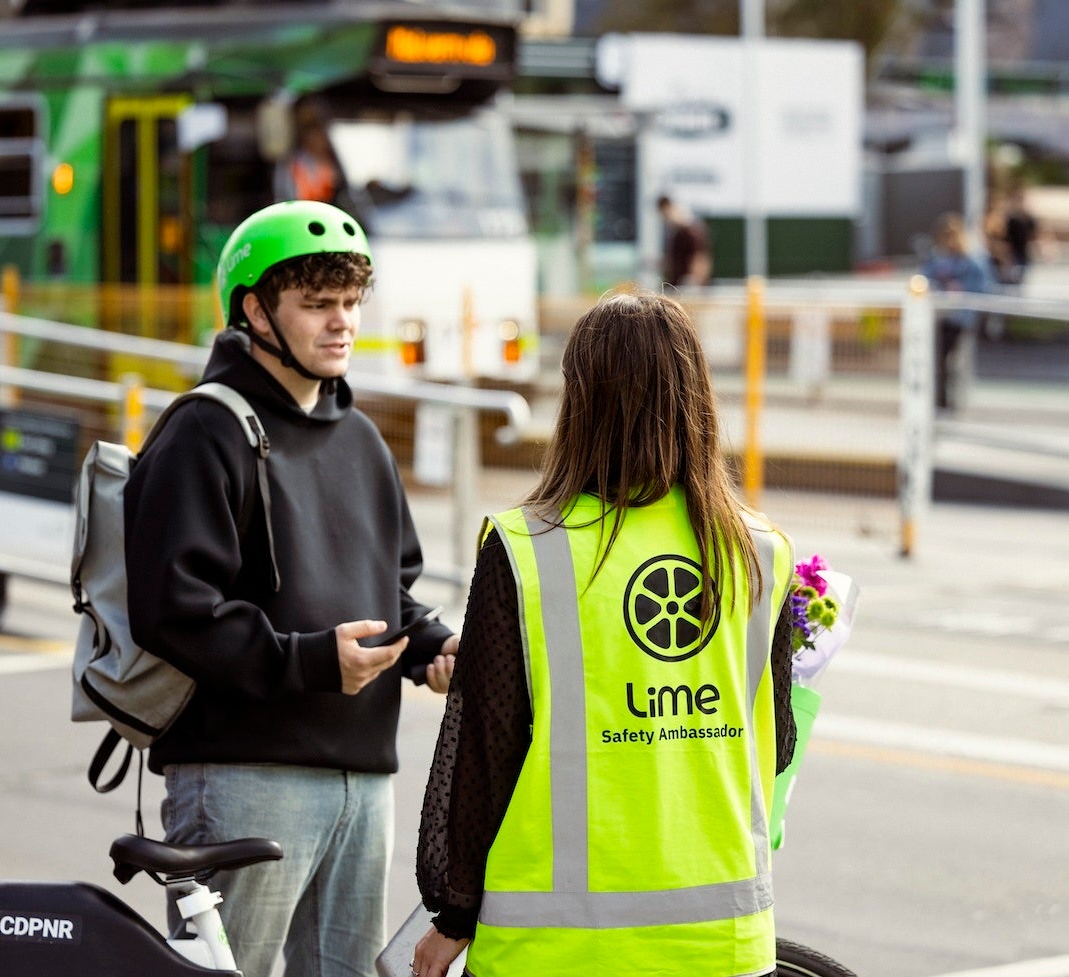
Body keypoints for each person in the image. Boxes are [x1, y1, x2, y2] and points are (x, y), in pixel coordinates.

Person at [411, 291, 799, 977]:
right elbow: (779, 739)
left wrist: (451, 916)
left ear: (580, 400)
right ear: (698, 397)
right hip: (725, 943)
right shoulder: (757, 550)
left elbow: (481, 757)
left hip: (552, 948)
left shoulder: (528, 547)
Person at [125, 200, 459, 977]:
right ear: (256, 311)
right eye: (317, 304)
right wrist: (312, 662)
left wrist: (435, 647)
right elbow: (172, 612)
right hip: (245, 773)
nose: (341, 322)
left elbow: (392, 593)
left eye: (349, 303)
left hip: (362, 777)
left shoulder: (361, 438)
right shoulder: (202, 430)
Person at [921, 212, 992, 410]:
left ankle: (949, 398)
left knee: (953, 359)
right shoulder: (936, 258)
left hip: (959, 316)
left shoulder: (970, 260)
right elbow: (924, 280)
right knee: (938, 358)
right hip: (938, 315)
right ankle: (938, 397)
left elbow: (982, 286)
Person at [657, 193, 712, 288]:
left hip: (687, 285)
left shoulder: (690, 232)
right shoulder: (675, 233)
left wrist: (696, 280)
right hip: (677, 284)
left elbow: (700, 258)